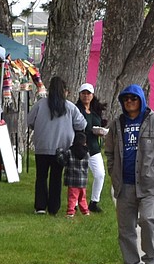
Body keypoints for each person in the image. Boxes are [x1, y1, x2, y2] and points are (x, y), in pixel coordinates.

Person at [105, 84, 154, 264]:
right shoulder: (117, 124)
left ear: (141, 100)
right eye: (126, 99)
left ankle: (151, 259)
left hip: (148, 183)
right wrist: (113, 171)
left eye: (133, 99)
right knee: (126, 227)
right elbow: (109, 151)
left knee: (148, 220)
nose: (129, 102)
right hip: (124, 184)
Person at [27, 76, 87, 215]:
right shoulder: (70, 107)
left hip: (42, 146)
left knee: (41, 177)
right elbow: (82, 124)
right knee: (56, 177)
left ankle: (40, 206)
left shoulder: (40, 104)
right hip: (62, 148)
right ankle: (54, 207)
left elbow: (30, 122)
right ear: (64, 91)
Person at [75, 83, 109, 214]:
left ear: (92, 95)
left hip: (94, 148)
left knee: (100, 174)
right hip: (80, 148)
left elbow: (98, 124)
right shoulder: (76, 109)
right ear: (80, 95)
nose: (86, 96)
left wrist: (101, 131)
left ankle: (94, 202)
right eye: (83, 93)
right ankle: (76, 202)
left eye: (88, 93)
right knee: (79, 177)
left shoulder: (95, 111)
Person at [63, 131, 91, 217]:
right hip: (82, 180)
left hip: (72, 180)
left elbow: (63, 160)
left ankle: (71, 212)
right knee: (82, 197)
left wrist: (59, 152)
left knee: (72, 197)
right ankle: (85, 211)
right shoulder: (87, 154)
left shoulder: (70, 152)